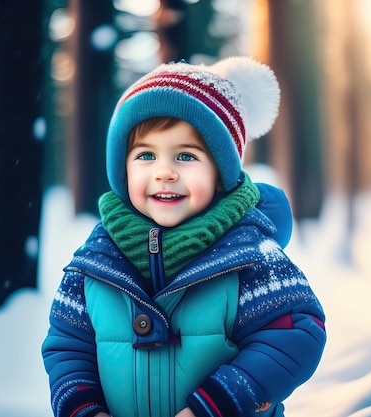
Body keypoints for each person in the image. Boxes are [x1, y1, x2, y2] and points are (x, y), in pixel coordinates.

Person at [41, 56, 327, 417]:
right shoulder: (95, 262)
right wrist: (83, 407)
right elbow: (68, 346)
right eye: (145, 155)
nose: (164, 172)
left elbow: (296, 335)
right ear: (122, 170)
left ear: (221, 175)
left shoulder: (251, 256)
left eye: (186, 157)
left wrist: (219, 401)